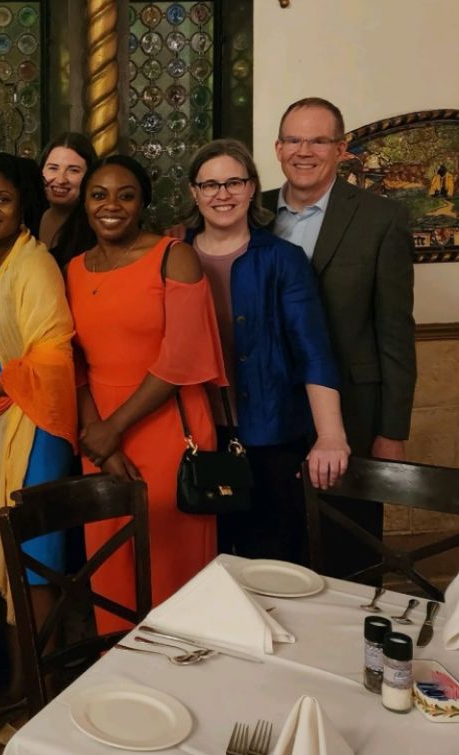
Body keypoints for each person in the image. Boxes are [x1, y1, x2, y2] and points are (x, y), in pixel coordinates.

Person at [64, 155, 227, 634]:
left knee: (171, 566)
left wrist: (114, 429)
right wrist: (98, 433)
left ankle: (182, 682)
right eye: (98, 194)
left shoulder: (173, 256)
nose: (111, 205)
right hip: (98, 433)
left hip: (167, 429)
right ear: (84, 203)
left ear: (143, 203)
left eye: (125, 194)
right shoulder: (73, 268)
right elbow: (71, 361)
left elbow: (181, 359)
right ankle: (119, 684)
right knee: (110, 565)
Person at [263, 97, 415, 579]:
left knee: (350, 551)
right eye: (293, 139)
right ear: (278, 147)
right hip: (271, 412)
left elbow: (395, 330)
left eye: (317, 140)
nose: (303, 151)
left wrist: (391, 432)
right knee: (276, 546)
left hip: (353, 410)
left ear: (342, 149)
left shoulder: (381, 219)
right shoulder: (253, 210)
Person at [183, 139, 349, 563]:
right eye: (210, 185)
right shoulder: (171, 255)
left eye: (233, 182)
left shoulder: (283, 260)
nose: (222, 194)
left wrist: (330, 435)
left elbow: (313, 351)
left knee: (273, 562)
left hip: (271, 437)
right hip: (195, 437)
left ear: (252, 188)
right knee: (203, 567)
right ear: (194, 193)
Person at [0, 154, 77, 706]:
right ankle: (19, 680)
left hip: (33, 432)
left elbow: (52, 355)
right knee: (3, 559)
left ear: (22, 203)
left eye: (1, 199)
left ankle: (43, 690)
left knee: (34, 564)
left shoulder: (35, 265)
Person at [37, 132, 98, 268]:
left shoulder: (96, 228)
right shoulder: (28, 218)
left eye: (73, 170)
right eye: (53, 168)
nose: (60, 180)